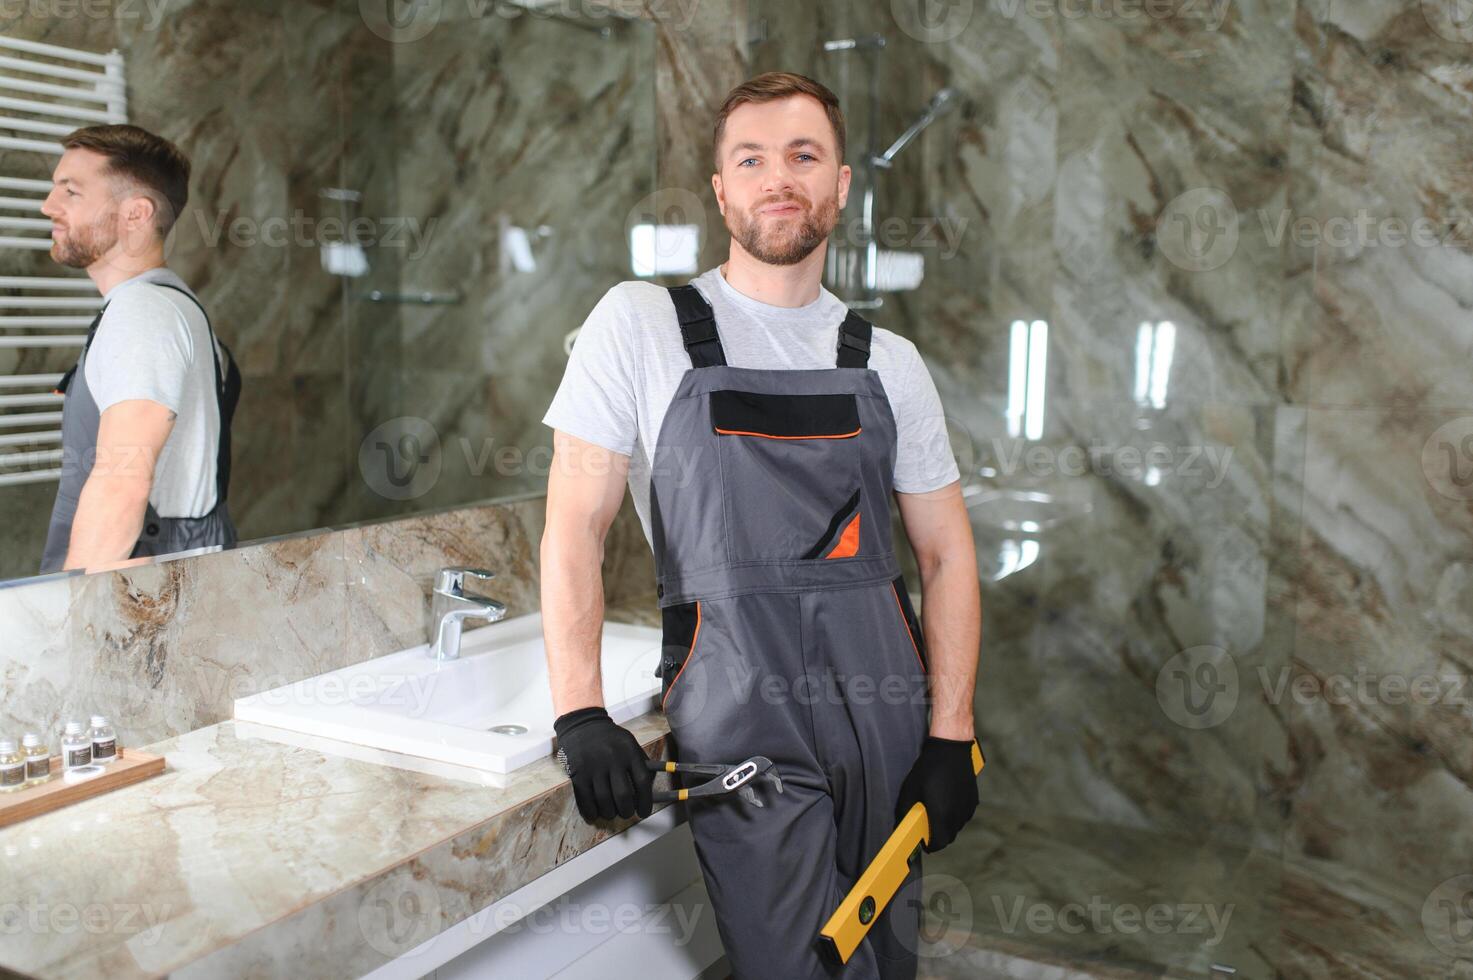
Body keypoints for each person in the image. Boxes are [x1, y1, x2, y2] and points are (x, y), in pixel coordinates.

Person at [541, 72, 982, 978]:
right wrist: (580, 712)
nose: (777, 177)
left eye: (802, 155)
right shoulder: (640, 323)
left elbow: (944, 557)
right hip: (740, 708)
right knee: (793, 963)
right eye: (751, 158)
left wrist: (949, 734)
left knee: (883, 959)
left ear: (841, 184)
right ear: (719, 189)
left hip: (884, 703)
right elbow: (573, 530)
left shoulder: (889, 362)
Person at [37, 124, 237, 575]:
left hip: (138, 607)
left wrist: (70, 616)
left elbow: (120, 483)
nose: (48, 206)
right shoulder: (166, 303)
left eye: (70, 192)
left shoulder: (142, 313)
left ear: (135, 215)